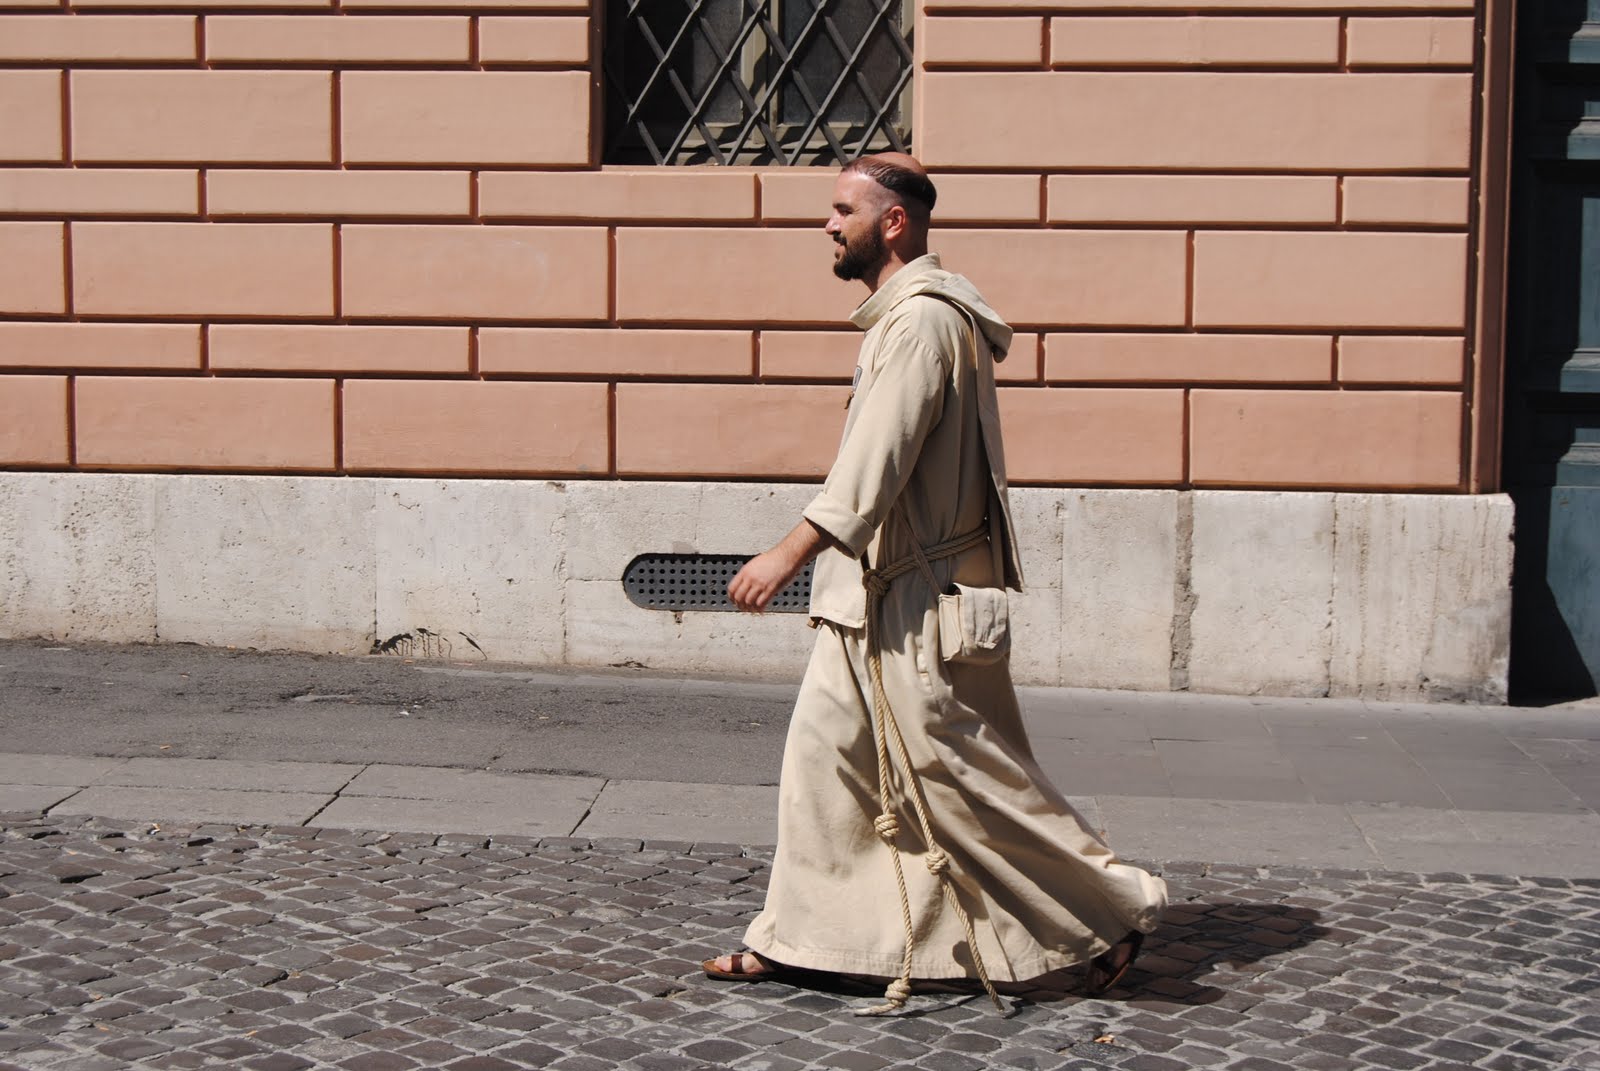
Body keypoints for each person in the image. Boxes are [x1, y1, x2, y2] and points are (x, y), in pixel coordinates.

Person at [702, 153, 1166, 1013]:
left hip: (905, 603)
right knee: (828, 768)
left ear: (894, 224)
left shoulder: (919, 323)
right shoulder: (916, 318)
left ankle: (1116, 908)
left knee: (959, 777)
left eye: (842, 209)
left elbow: (874, 462)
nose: (827, 224)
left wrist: (785, 552)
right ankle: (802, 941)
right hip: (880, 594)